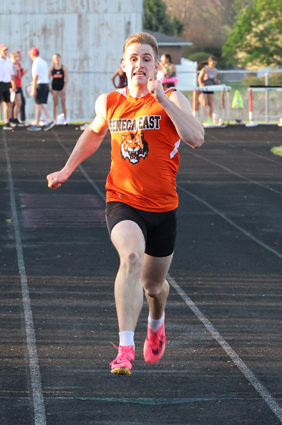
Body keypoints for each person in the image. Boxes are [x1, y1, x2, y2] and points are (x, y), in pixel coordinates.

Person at [47, 32, 204, 375]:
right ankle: (125, 348)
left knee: (153, 287)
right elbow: (93, 133)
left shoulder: (173, 98)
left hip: (163, 208)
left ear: (156, 65)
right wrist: (67, 169)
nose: (139, 65)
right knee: (130, 257)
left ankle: (157, 319)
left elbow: (196, 138)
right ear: (123, 65)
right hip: (123, 201)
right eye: (133, 58)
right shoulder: (110, 101)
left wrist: (162, 98)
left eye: (146, 58)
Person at [28, 47, 55, 130]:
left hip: (40, 85)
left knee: (38, 105)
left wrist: (33, 89)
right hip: (45, 84)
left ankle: (37, 124)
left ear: (33, 54)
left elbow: (36, 76)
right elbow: (44, 75)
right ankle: (50, 121)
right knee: (41, 104)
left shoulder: (36, 62)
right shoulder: (43, 61)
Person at [197, 56, 219, 122]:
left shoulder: (215, 70)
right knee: (204, 103)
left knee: (210, 104)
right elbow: (199, 78)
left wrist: (217, 81)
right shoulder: (205, 70)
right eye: (212, 63)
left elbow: (214, 79)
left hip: (211, 88)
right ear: (209, 63)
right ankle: (199, 98)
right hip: (205, 88)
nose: (213, 65)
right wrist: (201, 84)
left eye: (215, 64)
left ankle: (210, 119)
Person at [50, 53, 68, 124]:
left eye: (57, 58)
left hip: (62, 88)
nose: (56, 59)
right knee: (55, 103)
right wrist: (50, 89)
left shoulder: (63, 68)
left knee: (63, 103)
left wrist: (63, 88)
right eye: (54, 58)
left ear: (60, 58)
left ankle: (66, 120)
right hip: (54, 88)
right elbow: (48, 78)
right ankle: (55, 120)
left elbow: (67, 79)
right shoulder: (51, 68)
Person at [11, 50, 26, 125]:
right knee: (11, 103)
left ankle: (15, 118)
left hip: (18, 86)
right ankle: (11, 119)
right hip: (12, 86)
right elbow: (11, 77)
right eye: (14, 57)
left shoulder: (18, 65)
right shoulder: (10, 65)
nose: (16, 58)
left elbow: (19, 76)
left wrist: (20, 71)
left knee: (19, 102)